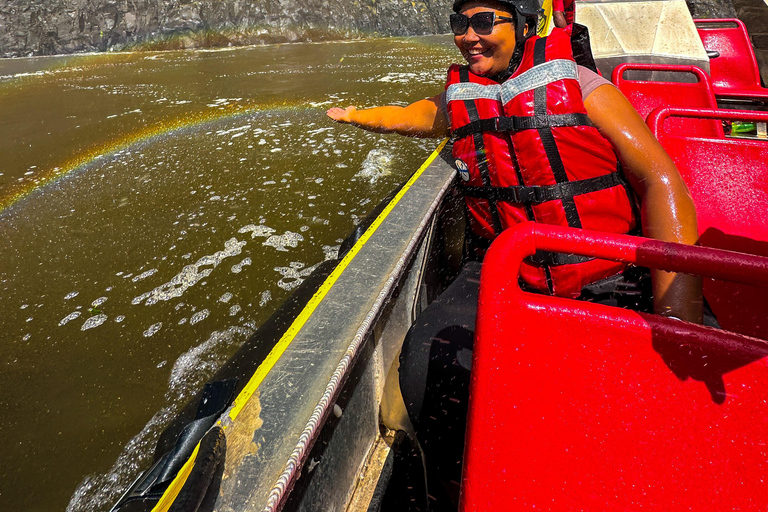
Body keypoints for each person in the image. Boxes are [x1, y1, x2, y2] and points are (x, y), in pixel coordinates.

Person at [328, 0, 703, 507]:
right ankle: (462, 489)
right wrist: (355, 116)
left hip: (609, 270)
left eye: (485, 22)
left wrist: (677, 313)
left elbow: (660, 180)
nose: (469, 36)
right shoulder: (465, 96)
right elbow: (414, 116)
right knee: (425, 361)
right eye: (460, 24)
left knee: (667, 399)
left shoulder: (580, 84)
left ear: (523, 25)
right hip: (509, 272)